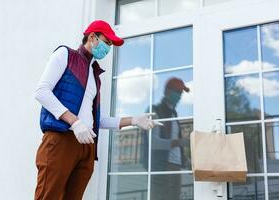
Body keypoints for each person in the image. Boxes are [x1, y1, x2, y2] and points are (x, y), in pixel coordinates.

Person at [34, 20, 161, 200]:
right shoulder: (65, 55)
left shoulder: (95, 75)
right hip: (62, 140)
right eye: (107, 42)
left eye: (110, 45)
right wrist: (74, 121)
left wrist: (132, 120)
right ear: (92, 37)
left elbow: (95, 120)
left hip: (86, 146)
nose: (108, 48)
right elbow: (41, 92)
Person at [151, 77, 190, 200]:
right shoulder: (156, 111)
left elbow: (177, 141)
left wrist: (186, 161)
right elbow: (154, 143)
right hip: (163, 166)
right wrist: (181, 142)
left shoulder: (174, 114)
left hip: (176, 165)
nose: (179, 96)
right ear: (167, 91)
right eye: (177, 92)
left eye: (181, 93)